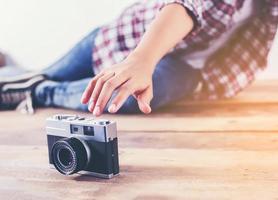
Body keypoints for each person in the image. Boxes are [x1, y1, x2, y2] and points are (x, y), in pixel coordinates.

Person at [0, 0, 277, 116]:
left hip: (183, 68)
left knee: (128, 97)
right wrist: (142, 59)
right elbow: (187, 5)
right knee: (46, 72)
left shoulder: (269, 10)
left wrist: (208, 85)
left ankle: (39, 93)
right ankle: (15, 69)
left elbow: (250, 58)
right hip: (116, 39)